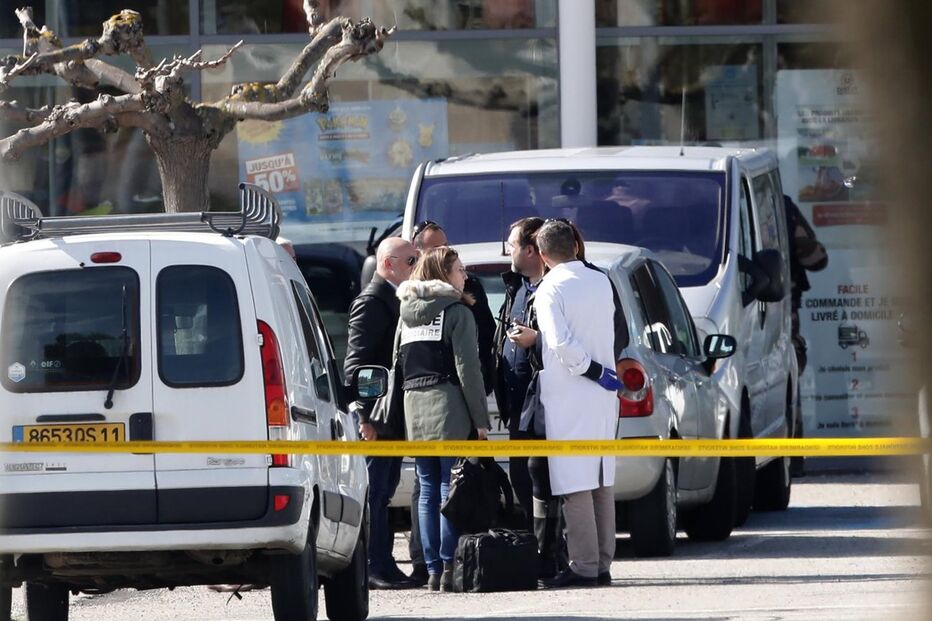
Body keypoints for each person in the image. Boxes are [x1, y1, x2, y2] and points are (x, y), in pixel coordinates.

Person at [394, 246, 491, 591]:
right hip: (449, 406)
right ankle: (449, 564)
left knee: (426, 490)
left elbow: (397, 364)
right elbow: (468, 370)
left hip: (414, 407)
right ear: (442, 275)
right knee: (450, 487)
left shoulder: (405, 314)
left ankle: (432, 569)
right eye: (459, 270)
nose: (464, 275)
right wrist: (480, 419)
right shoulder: (457, 312)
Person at [532, 220, 621, 589]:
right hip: (603, 394)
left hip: (573, 390)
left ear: (542, 255)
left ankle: (584, 565)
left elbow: (558, 342)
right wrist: (601, 373)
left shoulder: (550, 288)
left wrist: (590, 369)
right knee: (601, 477)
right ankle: (601, 562)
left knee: (575, 481)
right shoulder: (601, 279)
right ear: (575, 246)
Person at [343, 237, 420, 590]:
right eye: (411, 261)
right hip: (377, 416)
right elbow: (357, 364)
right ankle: (373, 565)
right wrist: (364, 416)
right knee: (374, 494)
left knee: (384, 492)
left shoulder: (396, 297)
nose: (416, 267)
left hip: (392, 414)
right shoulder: (372, 301)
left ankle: (384, 563)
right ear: (388, 264)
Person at [411, 220, 496, 395]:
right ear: (419, 253)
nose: (445, 251)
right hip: (432, 388)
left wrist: (487, 378)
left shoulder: (468, 284)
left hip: (474, 381)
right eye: (436, 248)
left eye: (446, 245)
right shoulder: (411, 293)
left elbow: (487, 331)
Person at [783, 195, 828, 477]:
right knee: (789, 373)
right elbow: (816, 258)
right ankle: (793, 455)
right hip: (782, 309)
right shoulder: (780, 205)